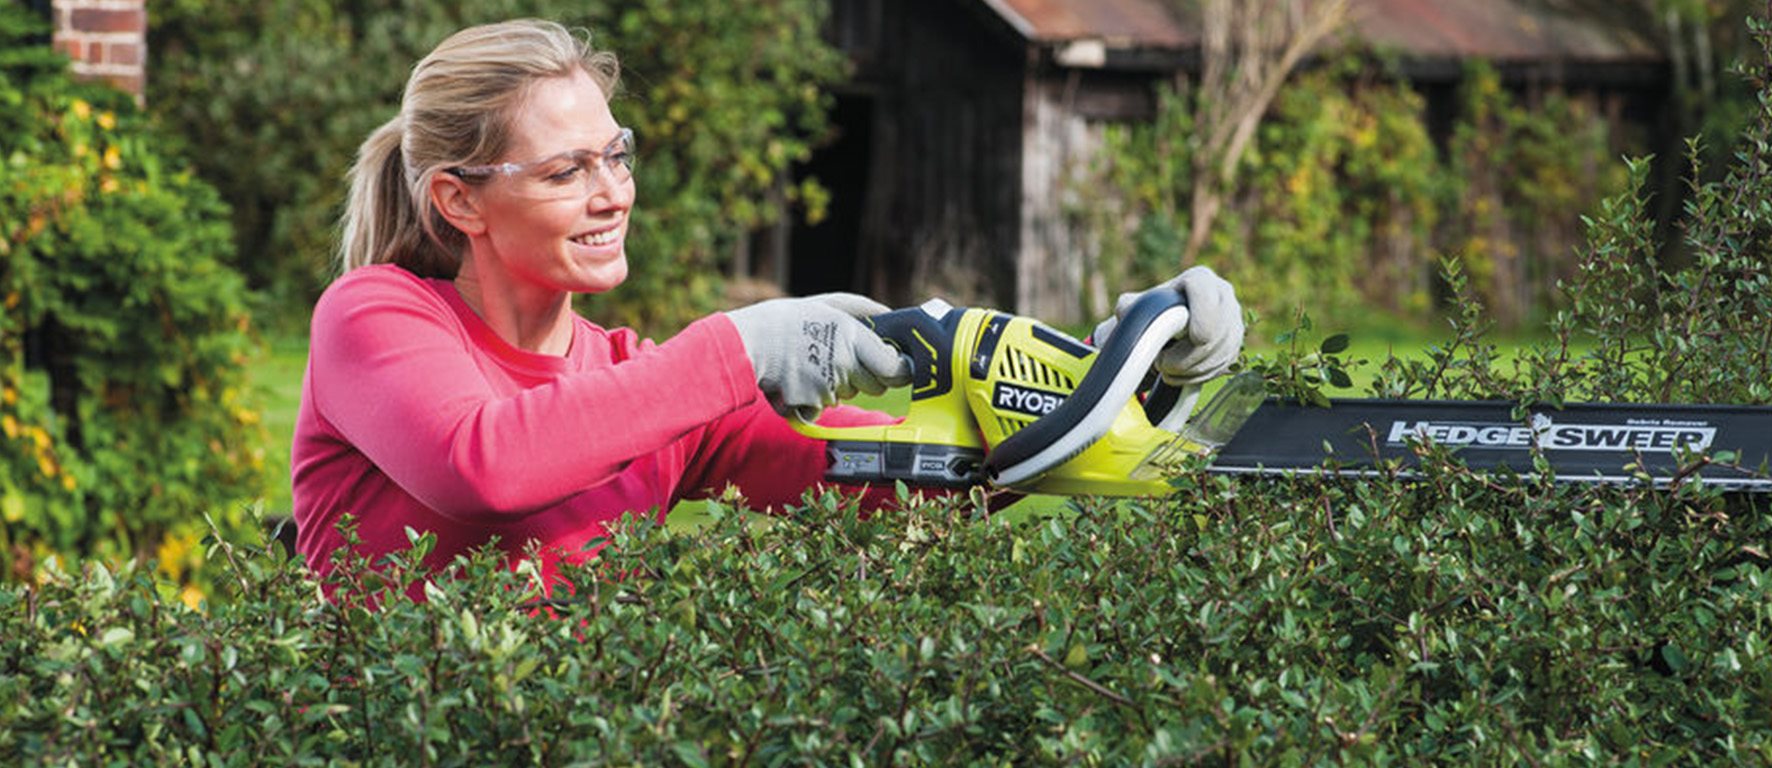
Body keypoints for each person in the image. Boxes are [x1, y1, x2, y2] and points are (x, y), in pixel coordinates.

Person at [290, 19, 1244, 585]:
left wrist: (1098, 381)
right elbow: (481, 464)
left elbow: (895, 481)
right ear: (460, 201)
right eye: (566, 170)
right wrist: (738, 349)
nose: (613, 191)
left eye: (616, 154)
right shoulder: (374, 316)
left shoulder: (636, 385)